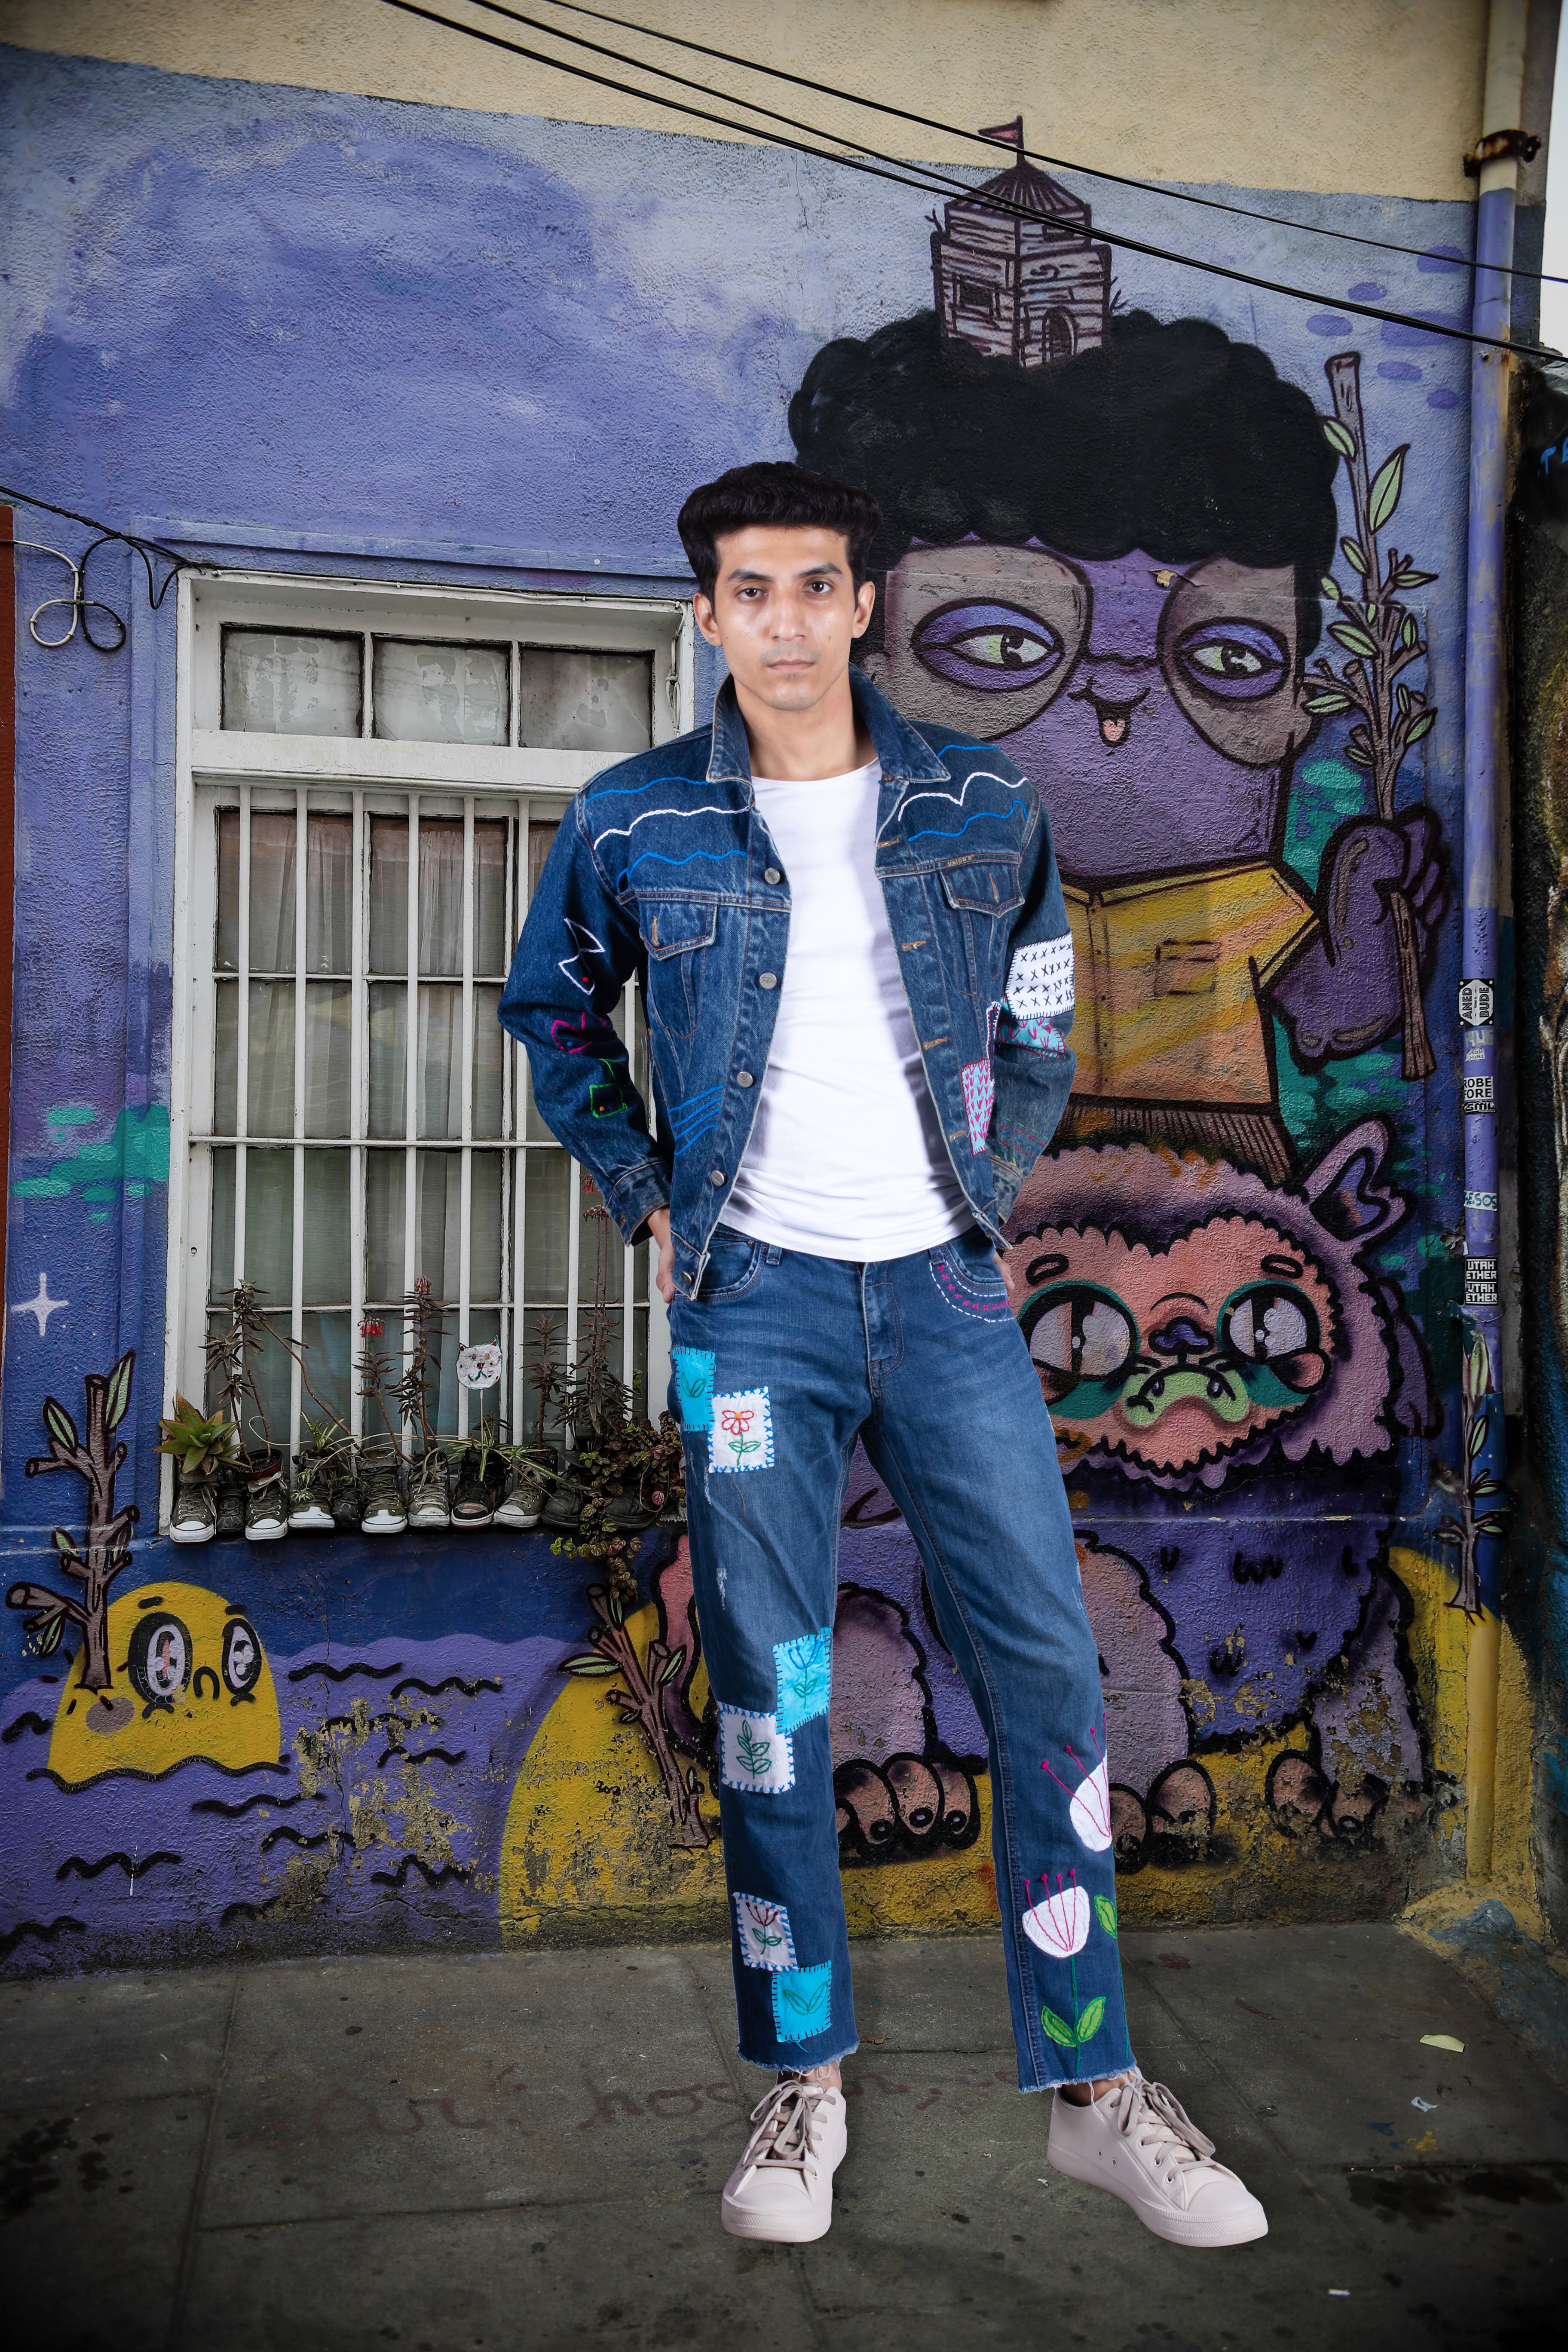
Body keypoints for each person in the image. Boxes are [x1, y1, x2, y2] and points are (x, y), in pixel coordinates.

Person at [499, 459, 1267, 2252]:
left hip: (950, 1297)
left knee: (1051, 1672)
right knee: (772, 1699)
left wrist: (989, 1192)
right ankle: (806, 2078)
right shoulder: (632, 819)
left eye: (814, 587)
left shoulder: (984, 806)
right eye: (748, 591)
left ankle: (1094, 2088)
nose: (783, 621)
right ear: (710, 615)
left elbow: (1045, 1020)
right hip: (752, 1304)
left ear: (862, 607)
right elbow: (552, 1012)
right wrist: (647, 1192)